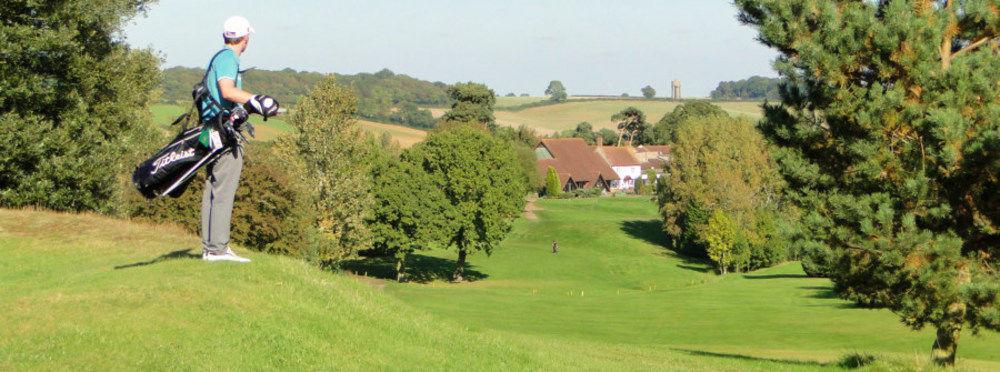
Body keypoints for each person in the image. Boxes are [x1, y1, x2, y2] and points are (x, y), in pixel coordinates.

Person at [199, 15, 263, 263]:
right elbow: (227, 90)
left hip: (210, 130)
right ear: (245, 38)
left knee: (213, 188)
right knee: (223, 190)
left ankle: (210, 247)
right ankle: (218, 249)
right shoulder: (228, 59)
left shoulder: (219, 57)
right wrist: (255, 99)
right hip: (223, 132)